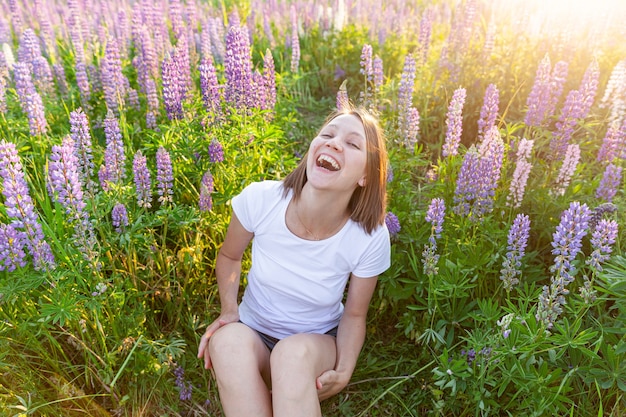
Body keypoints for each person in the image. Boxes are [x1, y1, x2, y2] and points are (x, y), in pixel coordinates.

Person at [197, 105, 391, 417]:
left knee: (291, 355)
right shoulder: (262, 199)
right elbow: (229, 256)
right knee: (226, 343)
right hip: (253, 333)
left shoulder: (368, 236)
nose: (333, 142)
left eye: (352, 144)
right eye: (327, 134)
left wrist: (344, 370)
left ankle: (289, 388)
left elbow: (355, 314)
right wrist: (229, 310)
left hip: (314, 347)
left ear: (366, 176)